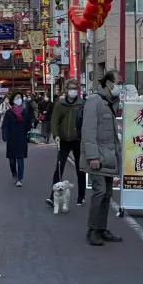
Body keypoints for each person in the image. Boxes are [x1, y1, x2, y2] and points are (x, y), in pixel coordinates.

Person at [80, 70, 123, 247]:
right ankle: (93, 230)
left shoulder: (110, 102)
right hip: (97, 155)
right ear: (109, 84)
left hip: (109, 155)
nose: (120, 86)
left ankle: (102, 227)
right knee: (99, 192)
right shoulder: (94, 101)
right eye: (118, 82)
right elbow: (88, 130)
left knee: (107, 193)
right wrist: (92, 156)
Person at [46, 79, 86, 207]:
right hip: (63, 140)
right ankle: (53, 196)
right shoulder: (60, 104)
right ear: (67, 90)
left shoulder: (82, 104)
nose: (73, 91)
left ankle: (81, 196)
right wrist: (56, 135)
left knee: (80, 169)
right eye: (71, 89)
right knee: (59, 167)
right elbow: (54, 121)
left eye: (75, 89)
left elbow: (86, 122)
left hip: (77, 140)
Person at [1, 91, 32, 187]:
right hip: (11, 138)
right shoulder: (9, 113)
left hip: (22, 137)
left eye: (20, 97)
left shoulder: (25, 112)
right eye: (16, 98)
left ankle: (20, 178)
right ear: (13, 100)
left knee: (20, 158)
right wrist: (5, 135)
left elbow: (28, 124)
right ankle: (14, 173)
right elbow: (5, 125)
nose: (18, 99)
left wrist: (29, 129)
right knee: (12, 160)